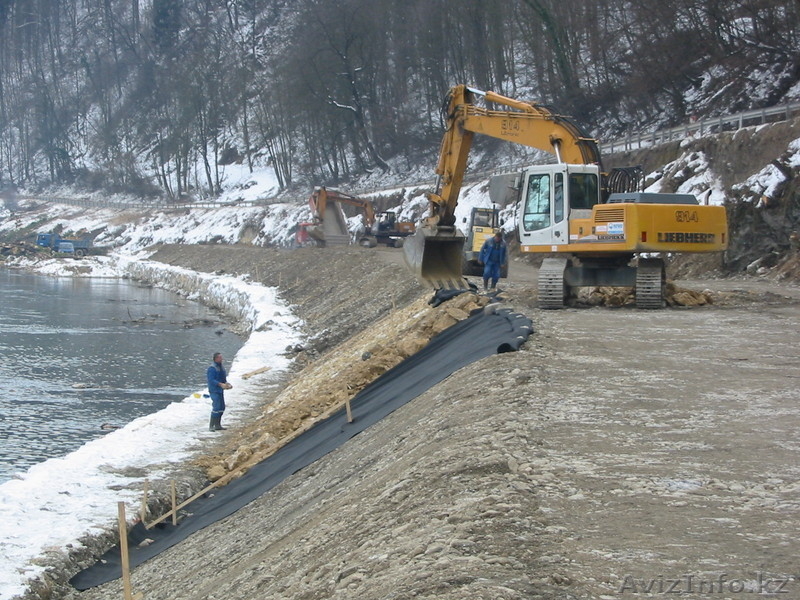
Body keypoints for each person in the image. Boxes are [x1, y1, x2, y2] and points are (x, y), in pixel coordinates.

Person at [207, 352, 232, 431]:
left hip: (220, 390)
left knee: (222, 407)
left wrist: (226, 383)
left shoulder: (221, 367)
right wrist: (219, 384)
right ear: (216, 358)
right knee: (216, 407)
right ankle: (211, 426)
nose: (222, 359)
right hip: (214, 390)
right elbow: (211, 380)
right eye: (220, 358)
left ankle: (217, 425)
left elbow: (222, 377)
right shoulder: (212, 368)